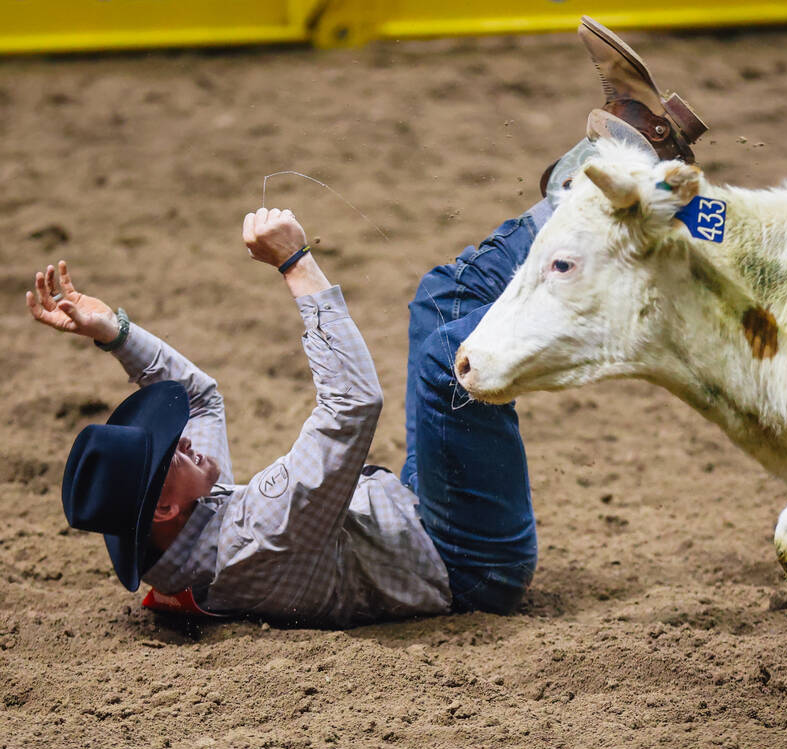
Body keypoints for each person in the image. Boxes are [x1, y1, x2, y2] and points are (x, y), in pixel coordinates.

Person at [27, 18, 707, 626]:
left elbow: (199, 397)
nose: (185, 441)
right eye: (172, 451)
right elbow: (353, 404)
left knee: (439, 296)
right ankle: (622, 176)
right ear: (165, 508)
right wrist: (297, 263)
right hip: (470, 563)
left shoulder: (183, 529)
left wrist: (113, 330)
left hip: (419, 518)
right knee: (451, 354)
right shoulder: (251, 536)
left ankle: (640, 193)